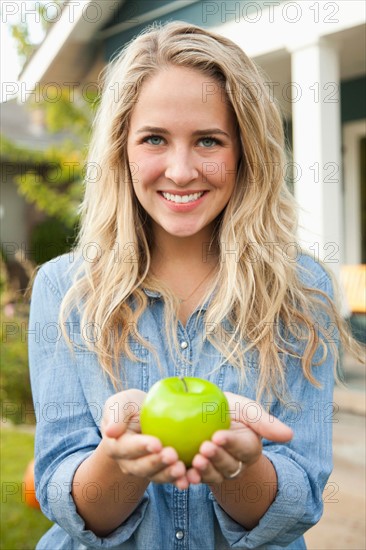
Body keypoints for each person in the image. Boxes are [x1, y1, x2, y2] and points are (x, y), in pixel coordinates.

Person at [28, 21, 361, 549]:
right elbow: (63, 499)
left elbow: (297, 504)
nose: (181, 171)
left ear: (244, 151)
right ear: (123, 149)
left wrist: (240, 468)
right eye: (155, 139)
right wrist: (120, 463)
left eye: (208, 140)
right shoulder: (65, 289)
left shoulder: (300, 290)